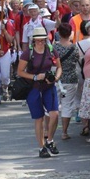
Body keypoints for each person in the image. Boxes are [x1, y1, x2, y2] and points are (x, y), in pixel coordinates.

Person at [17, 27, 62, 158]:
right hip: (34, 88)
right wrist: (36, 77)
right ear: (34, 40)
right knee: (39, 118)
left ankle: (50, 140)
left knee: (54, 114)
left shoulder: (52, 50)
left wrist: (56, 77)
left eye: (42, 40)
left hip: (49, 86)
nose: (40, 42)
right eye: (38, 40)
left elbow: (59, 67)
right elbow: (20, 72)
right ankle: (41, 147)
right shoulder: (28, 53)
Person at [53, 24, 80, 139]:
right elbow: (77, 60)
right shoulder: (74, 48)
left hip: (56, 79)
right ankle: (64, 132)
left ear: (58, 33)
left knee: (53, 105)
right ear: (70, 33)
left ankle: (48, 130)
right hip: (71, 79)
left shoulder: (54, 48)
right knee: (67, 105)